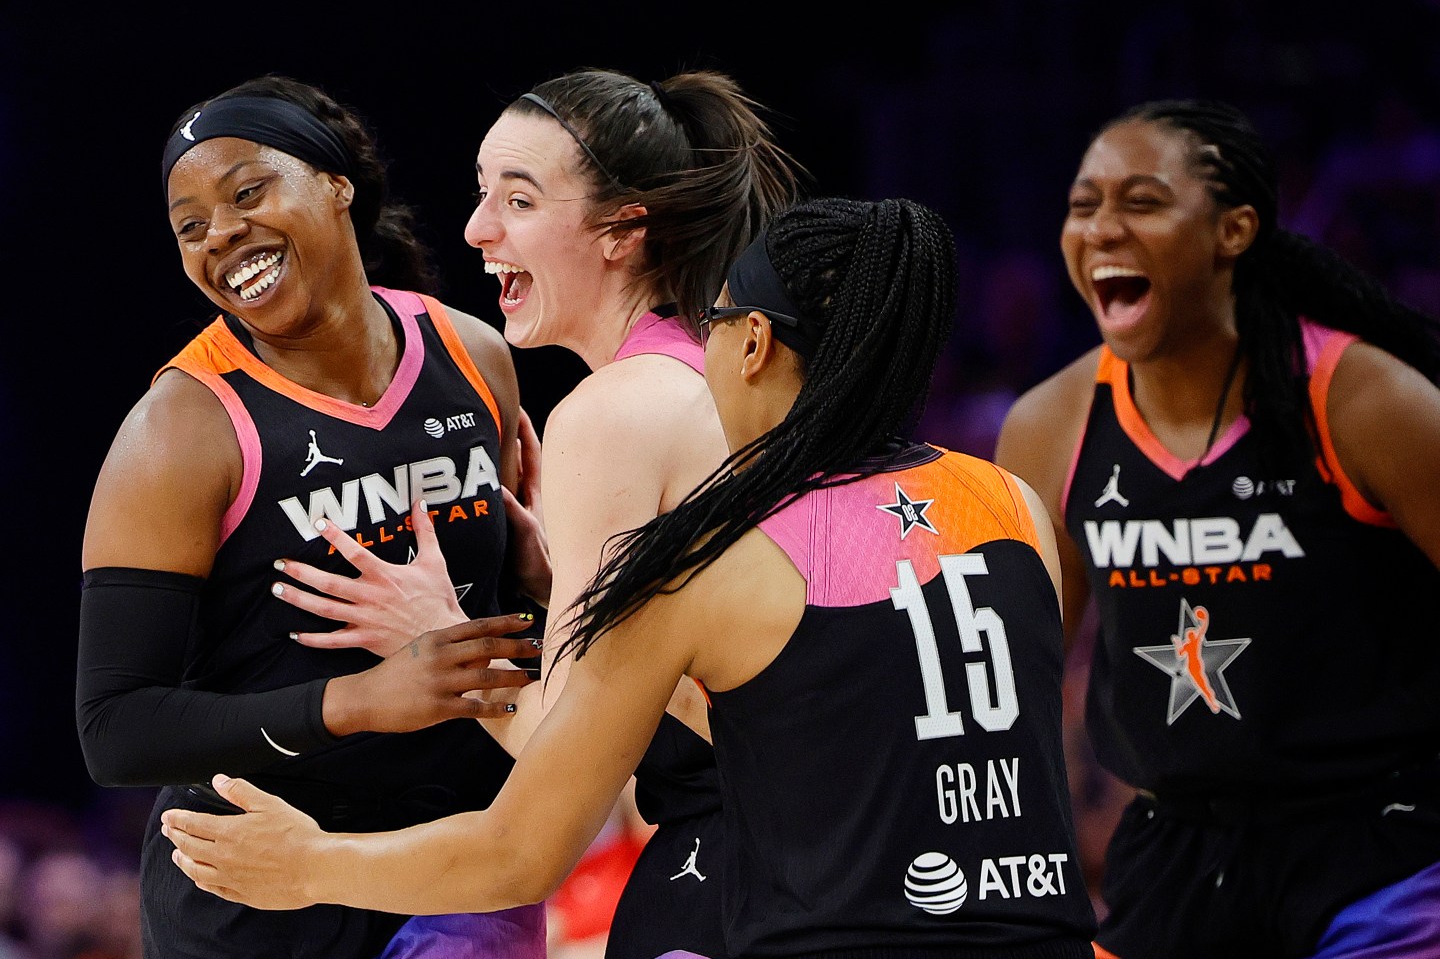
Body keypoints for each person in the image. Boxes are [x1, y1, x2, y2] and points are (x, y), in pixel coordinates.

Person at [161, 195, 1099, 959]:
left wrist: (310, 865)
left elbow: (520, 853)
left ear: (753, 344)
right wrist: (551, 574)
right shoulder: (1016, 508)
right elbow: (843, 705)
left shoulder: (708, 558)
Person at [261, 67, 800, 959]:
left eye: (518, 199)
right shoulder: (702, 368)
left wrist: (436, 632)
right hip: (814, 841)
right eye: (482, 195)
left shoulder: (614, 409)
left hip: (759, 859)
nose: (477, 229)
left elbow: (571, 760)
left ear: (624, 229)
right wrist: (561, 580)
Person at [77, 75, 546, 959]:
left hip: (456, 871)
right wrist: (359, 702)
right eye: (190, 226)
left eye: (247, 191)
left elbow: (515, 612)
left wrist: (554, 581)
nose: (220, 233)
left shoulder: (474, 354)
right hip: (253, 897)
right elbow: (116, 730)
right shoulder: (180, 430)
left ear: (337, 184)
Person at [994, 99, 1440, 958]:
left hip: (1379, 853)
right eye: (1084, 206)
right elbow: (1018, 682)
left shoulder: (1363, 401)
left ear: (1234, 230)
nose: (1102, 229)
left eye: (1142, 201)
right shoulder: (1049, 427)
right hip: (1173, 861)